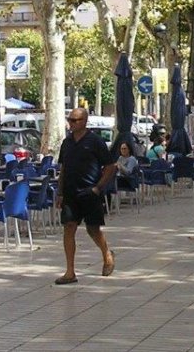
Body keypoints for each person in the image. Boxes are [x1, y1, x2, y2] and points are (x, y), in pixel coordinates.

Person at [55, 107, 117, 285]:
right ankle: (70, 271)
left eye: (75, 120)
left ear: (84, 121)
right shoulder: (67, 143)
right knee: (69, 227)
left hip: (89, 192)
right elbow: (64, 168)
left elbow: (110, 166)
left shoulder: (95, 141)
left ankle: (107, 254)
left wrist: (98, 188)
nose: (71, 123)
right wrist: (60, 192)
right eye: (70, 120)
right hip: (70, 193)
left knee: (93, 229)